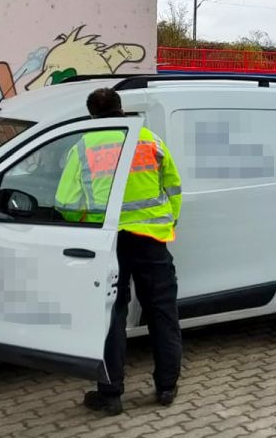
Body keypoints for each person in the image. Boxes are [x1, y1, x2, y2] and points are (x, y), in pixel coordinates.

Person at [55, 87, 183, 415]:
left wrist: (87, 222)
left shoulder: (84, 146)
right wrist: (168, 222)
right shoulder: (149, 139)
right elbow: (174, 187)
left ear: (92, 116)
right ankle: (167, 387)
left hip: (109, 242)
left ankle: (110, 394)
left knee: (111, 316)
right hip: (152, 238)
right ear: (120, 108)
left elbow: (66, 203)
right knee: (162, 311)